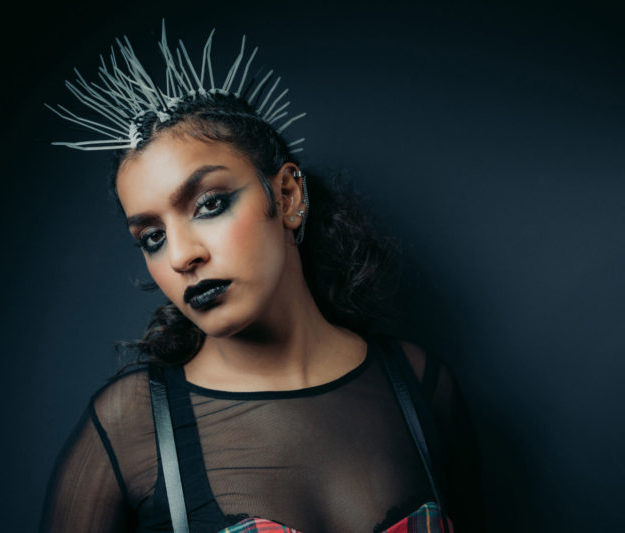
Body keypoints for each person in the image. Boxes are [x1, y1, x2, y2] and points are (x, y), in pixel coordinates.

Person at [40, 24, 484, 533]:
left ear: (289, 196)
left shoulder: (420, 385)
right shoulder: (132, 426)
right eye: (152, 237)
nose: (183, 255)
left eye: (210, 205)